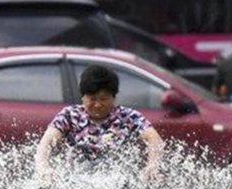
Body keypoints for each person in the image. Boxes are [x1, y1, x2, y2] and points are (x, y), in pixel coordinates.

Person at [35, 64, 164, 182]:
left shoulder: (127, 116)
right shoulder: (71, 115)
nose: (97, 105)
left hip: (117, 183)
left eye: (103, 99)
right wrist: (43, 167)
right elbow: (47, 139)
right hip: (77, 182)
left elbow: (153, 137)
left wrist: (152, 166)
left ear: (114, 97)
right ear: (83, 97)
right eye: (92, 99)